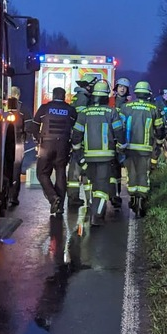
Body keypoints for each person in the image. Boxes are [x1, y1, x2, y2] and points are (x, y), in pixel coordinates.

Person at [70, 80, 124, 226]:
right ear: (106, 96)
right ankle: (97, 216)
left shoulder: (84, 113)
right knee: (102, 189)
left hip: (88, 156)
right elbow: (119, 132)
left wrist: (78, 154)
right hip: (106, 157)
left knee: (94, 185)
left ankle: (95, 210)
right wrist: (121, 146)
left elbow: (76, 136)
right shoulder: (111, 112)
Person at [119, 81, 165, 216]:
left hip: (128, 148)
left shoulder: (125, 107)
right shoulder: (153, 109)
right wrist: (159, 142)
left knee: (131, 174)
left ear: (136, 93)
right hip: (145, 149)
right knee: (143, 175)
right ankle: (141, 202)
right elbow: (160, 129)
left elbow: (118, 128)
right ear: (148, 93)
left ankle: (133, 198)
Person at [32, 87, 77, 216]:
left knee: (42, 173)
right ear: (64, 96)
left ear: (53, 95)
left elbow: (34, 125)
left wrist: (39, 139)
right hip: (63, 145)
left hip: (46, 144)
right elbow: (76, 128)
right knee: (61, 173)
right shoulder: (70, 110)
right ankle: (60, 206)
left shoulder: (45, 108)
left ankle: (53, 198)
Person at [66, 75, 99, 205]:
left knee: (80, 170)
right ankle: (75, 199)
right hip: (80, 139)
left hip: (77, 137)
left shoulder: (79, 97)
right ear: (88, 85)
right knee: (77, 170)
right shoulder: (83, 99)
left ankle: (77, 198)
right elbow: (83, 120)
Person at [110, 78, 132, 208]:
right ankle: (111, 194)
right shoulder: (110, 102)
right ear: (116, 88)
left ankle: (116, 194)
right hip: (109, 138)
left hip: (123, 139)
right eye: (120, 87)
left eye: (124, 87)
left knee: (118, 168)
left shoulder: (128, 105)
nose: (122, 89)